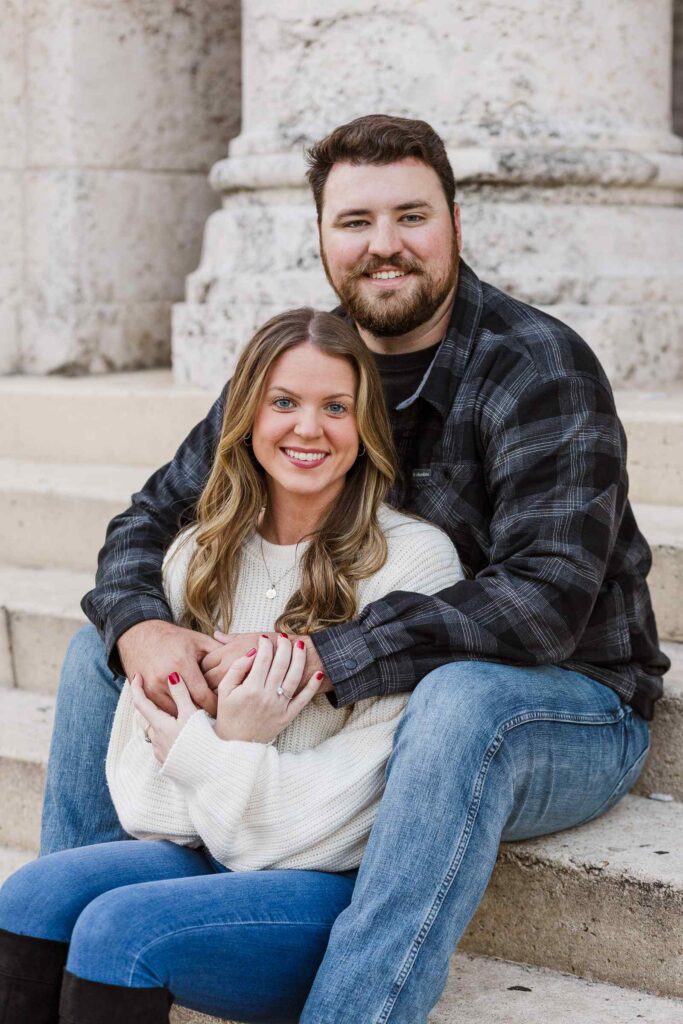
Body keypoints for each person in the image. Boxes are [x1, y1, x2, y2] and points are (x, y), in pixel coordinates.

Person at [36, 114, 668, 1023]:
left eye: (410, 217)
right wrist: (145, 627)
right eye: (355, 222)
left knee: (460, 700)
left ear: (453, 221)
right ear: (323, 237)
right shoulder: (307, 359)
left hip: (558, 701)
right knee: (107, 655)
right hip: (360, 691)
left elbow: (542, 605)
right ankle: (72, 942)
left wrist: (317, 658)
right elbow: (153, 514)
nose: (384, 247)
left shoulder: (537, 365)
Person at [0, 308, 463, 1022]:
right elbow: (142, 801)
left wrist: (211, 749)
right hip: (206, 849)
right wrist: (237, 744)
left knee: (118, 929)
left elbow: (345, 817)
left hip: (318, 884)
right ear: (245, 416)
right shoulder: (197, 557)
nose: (308, 429)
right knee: (27, 896)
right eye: (283, 402)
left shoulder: (412, 563)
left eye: (334, 407)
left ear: (365, 426)